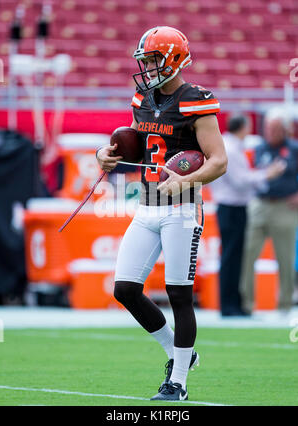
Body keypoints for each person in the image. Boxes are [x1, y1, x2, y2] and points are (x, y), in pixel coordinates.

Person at [97, 26, 227, 401]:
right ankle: (178, 354)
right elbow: (144, 151)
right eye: (146, 61)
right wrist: (105, 156)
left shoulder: (195, 100)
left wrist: (187, 182)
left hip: (183, 210)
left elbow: (219, 161)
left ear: (173, 58)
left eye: (153, 60)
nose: (148, 68)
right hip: (147, 206)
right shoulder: (142, 97)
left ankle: (178, 383)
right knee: (125, 289)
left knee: (179, 295)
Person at [210, 114, 285, 317]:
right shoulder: (232, 149)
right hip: (231, 207)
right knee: (231, 256)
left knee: (234, 256)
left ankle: (232, 304)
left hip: (231, 207)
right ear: (244, 127)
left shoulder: (230, 146)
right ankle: (229, 305)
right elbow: (240, 181)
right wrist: (267, 174)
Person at [240, 108, 298, 315]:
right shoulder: (258, 148)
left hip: (285, 206)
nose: (271, 132)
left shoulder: (294, 148)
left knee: (285, 257)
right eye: (269, 128)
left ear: (285, 130)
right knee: (248, 253)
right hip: (260, 204)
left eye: (275, 129)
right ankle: (247, 303)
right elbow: (251, 174)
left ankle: (284, 304)